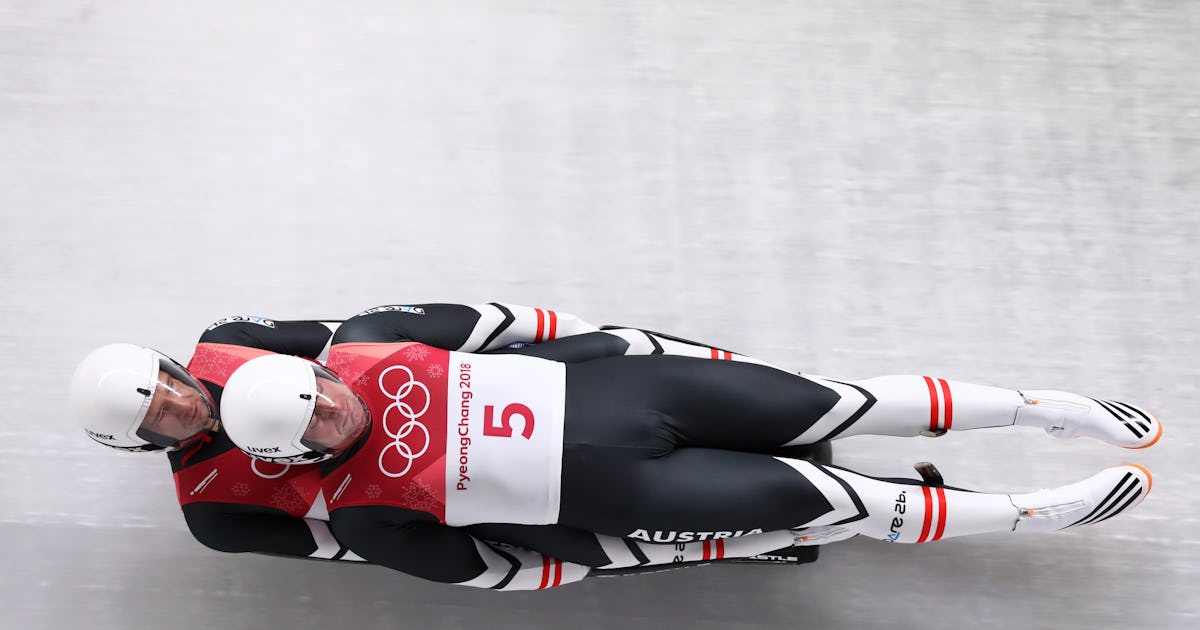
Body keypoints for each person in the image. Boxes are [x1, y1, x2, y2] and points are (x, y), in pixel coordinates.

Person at [218, 306, 1162, 591]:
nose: (331, 415)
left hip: (636, 393)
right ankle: (1029, 513)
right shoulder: (364, 513)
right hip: (631, 490)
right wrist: (636, 553)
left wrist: (641, 346)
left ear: (323, 371)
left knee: (847, 403)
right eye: (312, 430)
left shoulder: (374, 341)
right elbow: (499, 574)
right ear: (293, 460)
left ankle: (1045, 409)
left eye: (320, 396)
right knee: (843, 502)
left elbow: (511, 320)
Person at [68, 303, 832, 570]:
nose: (178, 404)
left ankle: (792, 400)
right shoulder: (212, 513)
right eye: (159, 417)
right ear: (143, 445)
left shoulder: (231, 338)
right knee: (584, 547)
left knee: (618, 347)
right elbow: (349, 547)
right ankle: (766, 538)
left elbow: (348, 343)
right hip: (427, 490)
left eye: (169, 385)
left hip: (453, 404)